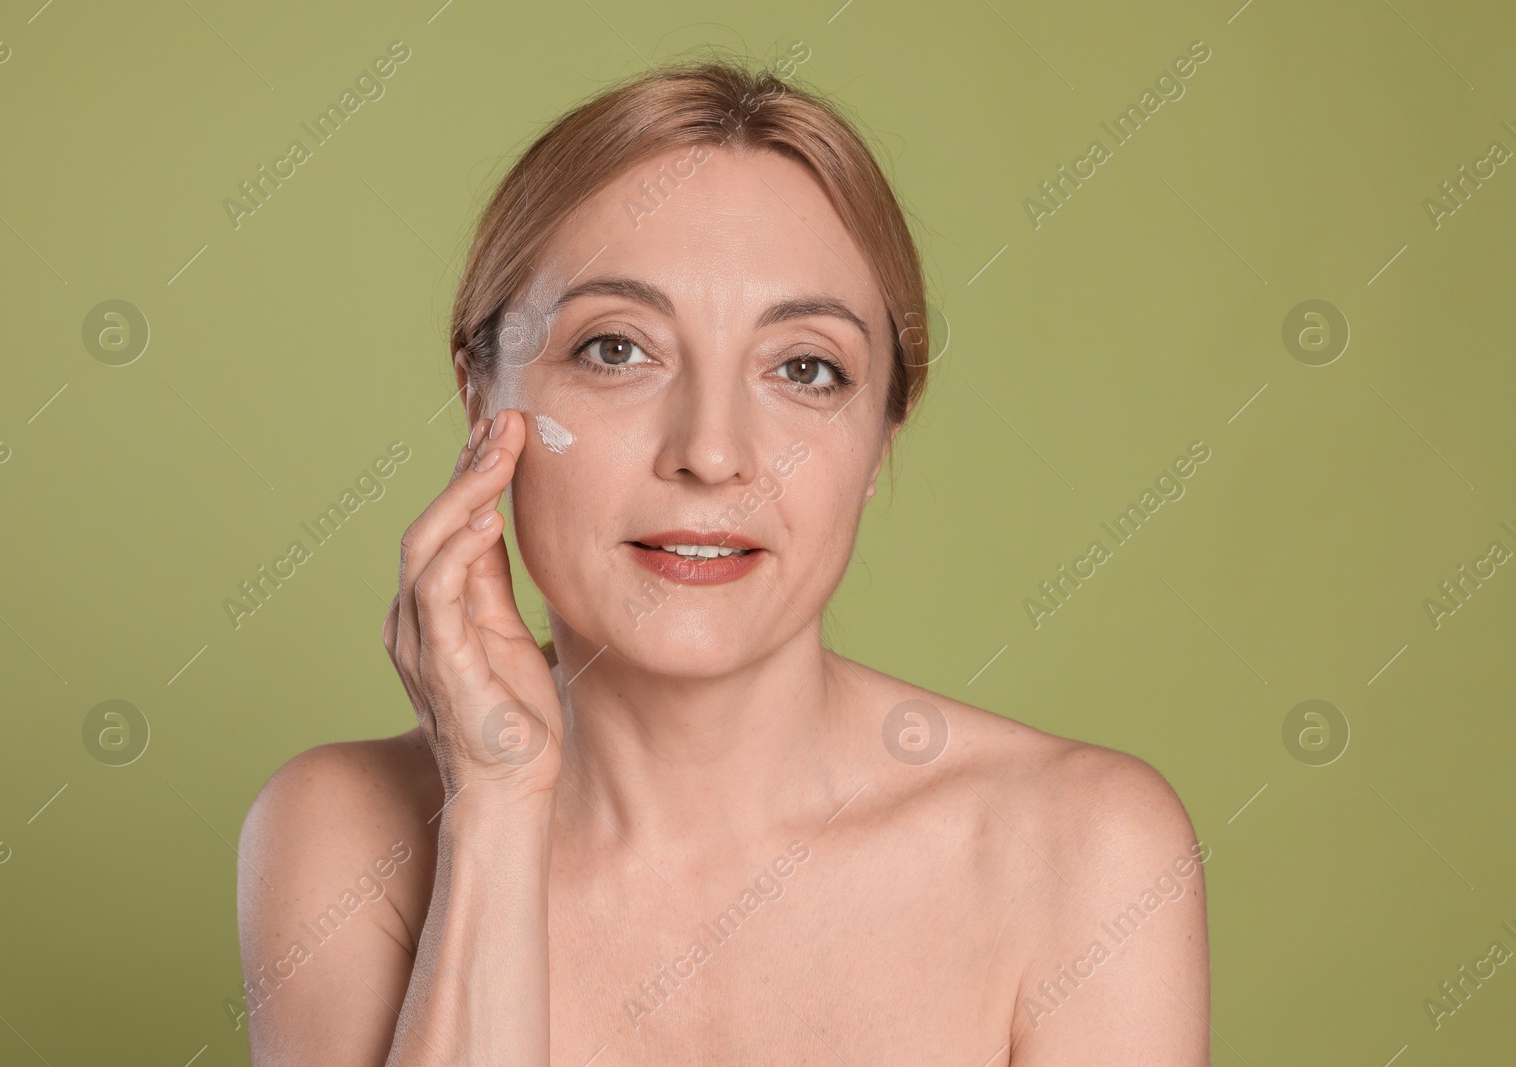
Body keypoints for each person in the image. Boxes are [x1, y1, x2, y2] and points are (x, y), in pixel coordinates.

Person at [236, 58, 1209, 1066]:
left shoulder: (1084, 852)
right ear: (482, 396)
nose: (710, 451)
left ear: (880, 439)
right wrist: (495, 803)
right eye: (616, 349)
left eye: (804, 367)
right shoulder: (343, 835)